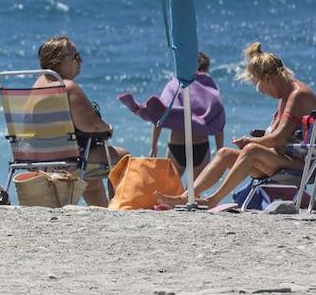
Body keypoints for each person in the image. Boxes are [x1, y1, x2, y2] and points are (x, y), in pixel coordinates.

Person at [157, 42, 316, 209]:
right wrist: (256, 141)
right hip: (282, 160)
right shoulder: (285, 96)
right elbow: (279, 137)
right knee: (225, 154)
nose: (261, 91)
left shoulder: (297, 95)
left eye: (259, 85)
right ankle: (187, 196)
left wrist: (250, 142)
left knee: (251, 150)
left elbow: (278, 139)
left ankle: (213, 200)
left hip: (305, 165)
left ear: (268, 78)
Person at [35, 35, 130, 207]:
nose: (81, 61)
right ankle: (118, 207)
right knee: (124, 156)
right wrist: (108, 127)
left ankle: (102, 209)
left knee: (92, 180)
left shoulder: (35, 87)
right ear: (57, 61)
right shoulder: (67, 87)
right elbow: (91, 125)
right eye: (76, 57)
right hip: (67, 159)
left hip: (36, 158)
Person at [119, 51, 227, 181]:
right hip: (200, 146)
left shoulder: (175, 85)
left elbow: (160, 114)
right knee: (195, 193)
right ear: (206, 68)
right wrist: (220, 150)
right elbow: (218, 121)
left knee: (170, 191)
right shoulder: (210, 89)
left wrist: (154, 145)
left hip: (177, 146)